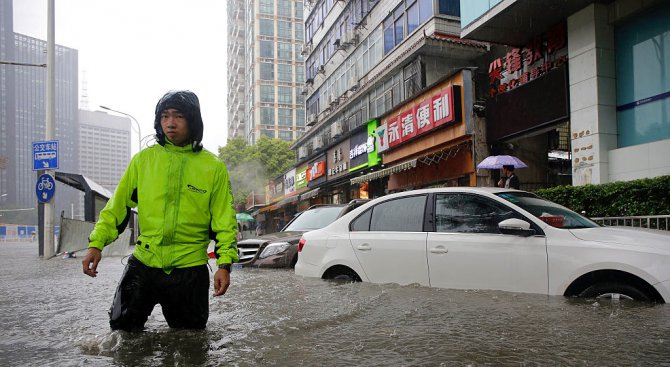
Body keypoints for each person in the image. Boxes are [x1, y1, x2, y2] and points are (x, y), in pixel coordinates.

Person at [81, 90, 239, 331]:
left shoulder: (213, 167)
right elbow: (117, 207)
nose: (170, 123)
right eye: (164, 116)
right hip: (144, 264)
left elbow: (224, 222)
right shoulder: (143, 161)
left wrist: (224, 265)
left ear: (193, 120)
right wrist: (96, 244)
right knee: (121, 333)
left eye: (178, 116)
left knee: (190, 342)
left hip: (189, 270)